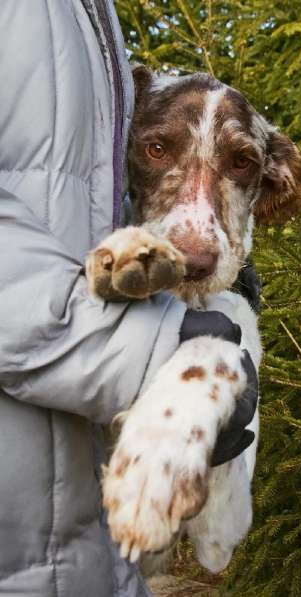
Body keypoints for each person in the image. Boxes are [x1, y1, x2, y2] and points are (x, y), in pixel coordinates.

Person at [0, 2, 258, 596]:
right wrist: (146, 353)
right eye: (157, 152)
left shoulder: (92, 16)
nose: (196, 244)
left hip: (81, 555)